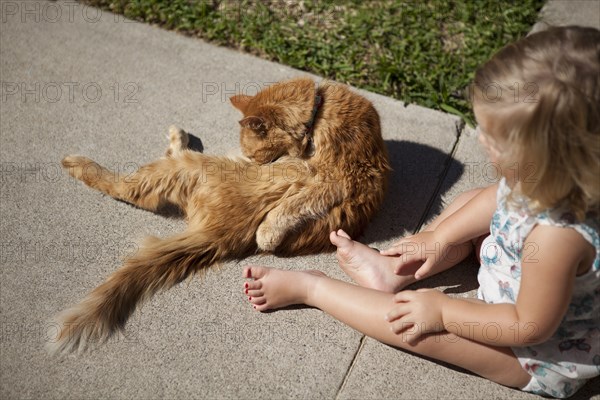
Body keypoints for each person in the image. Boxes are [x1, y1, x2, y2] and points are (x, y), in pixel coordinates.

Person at [242, 26, 600, 398]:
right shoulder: (552, 177)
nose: (480, 138)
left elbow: (527, 326)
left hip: (534, 348)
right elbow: (496, 197)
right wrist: (437, 238)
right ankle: (392, 271)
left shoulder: (557, 239)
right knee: (475, 201)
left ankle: (312, 288)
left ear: (549, 159)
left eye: (493, 138)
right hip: (516, 266)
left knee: (417, 327)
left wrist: (444, 311)